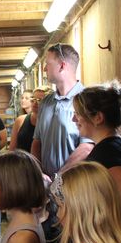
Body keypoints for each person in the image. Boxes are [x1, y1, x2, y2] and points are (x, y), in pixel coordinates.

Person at [73, 80, 121, 243]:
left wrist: (106, 231)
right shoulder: (114, 143)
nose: (74, 118)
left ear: (97, 118)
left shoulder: (107, 149)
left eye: (78, 113)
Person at [31, 44, 93, 177]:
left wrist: (59, 177)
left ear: (62, 66)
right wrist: (39, 174)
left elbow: (86, 148)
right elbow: (37, 142)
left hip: (74, 182)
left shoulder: (87, 101)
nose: (44, 68)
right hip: (46, 182)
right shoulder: (46, 102)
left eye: (48, 63)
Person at [9, 87, 48, 152]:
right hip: (22, 161)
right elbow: (12, 149)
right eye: (33, 99)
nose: (35, 103)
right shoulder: (20, 120)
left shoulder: (53, 123)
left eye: (39, 100)